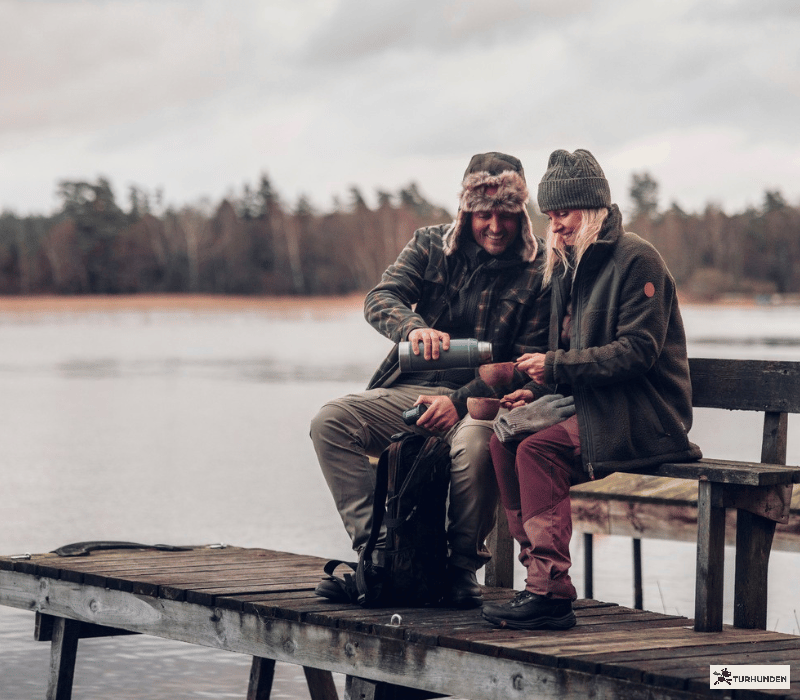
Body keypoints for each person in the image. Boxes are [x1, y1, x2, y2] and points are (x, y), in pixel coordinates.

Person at [310, 152, 550, 608]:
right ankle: (380, 556)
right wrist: (412, 328)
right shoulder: (429, 244)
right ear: (466, 210)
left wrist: (457, 403)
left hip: (483, 404)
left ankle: (459, 570)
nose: (494, 226)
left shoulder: (541, 269)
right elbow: (380, 298)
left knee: (477, 443)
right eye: (483, 213)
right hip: (409, 393)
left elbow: (525, 366)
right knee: (330, 422)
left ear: (522, 213)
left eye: (505, 213)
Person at [481, 149, 702, 629]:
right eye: (550, 216)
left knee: (538, 451)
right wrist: (535, 392)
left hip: (645, 414)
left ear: (593, 208)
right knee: (504, 441)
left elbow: (637, 352)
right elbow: (568, 356)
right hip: (594, 406)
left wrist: (554, 367)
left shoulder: (638, 259)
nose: (556, 225)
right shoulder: (568, 265)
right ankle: (538, 579)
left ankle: (550, 594)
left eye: (564, 213)